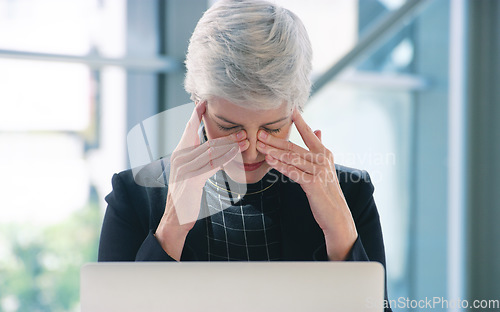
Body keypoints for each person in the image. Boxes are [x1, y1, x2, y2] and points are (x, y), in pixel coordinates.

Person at [98, 0, 391, 310]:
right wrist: (172, 227)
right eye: (229, 128)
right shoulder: (135, 198)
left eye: (273, 129)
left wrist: (341, 234)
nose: (250, 150)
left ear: (297, 111)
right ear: (199, 103)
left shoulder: (349, 193)